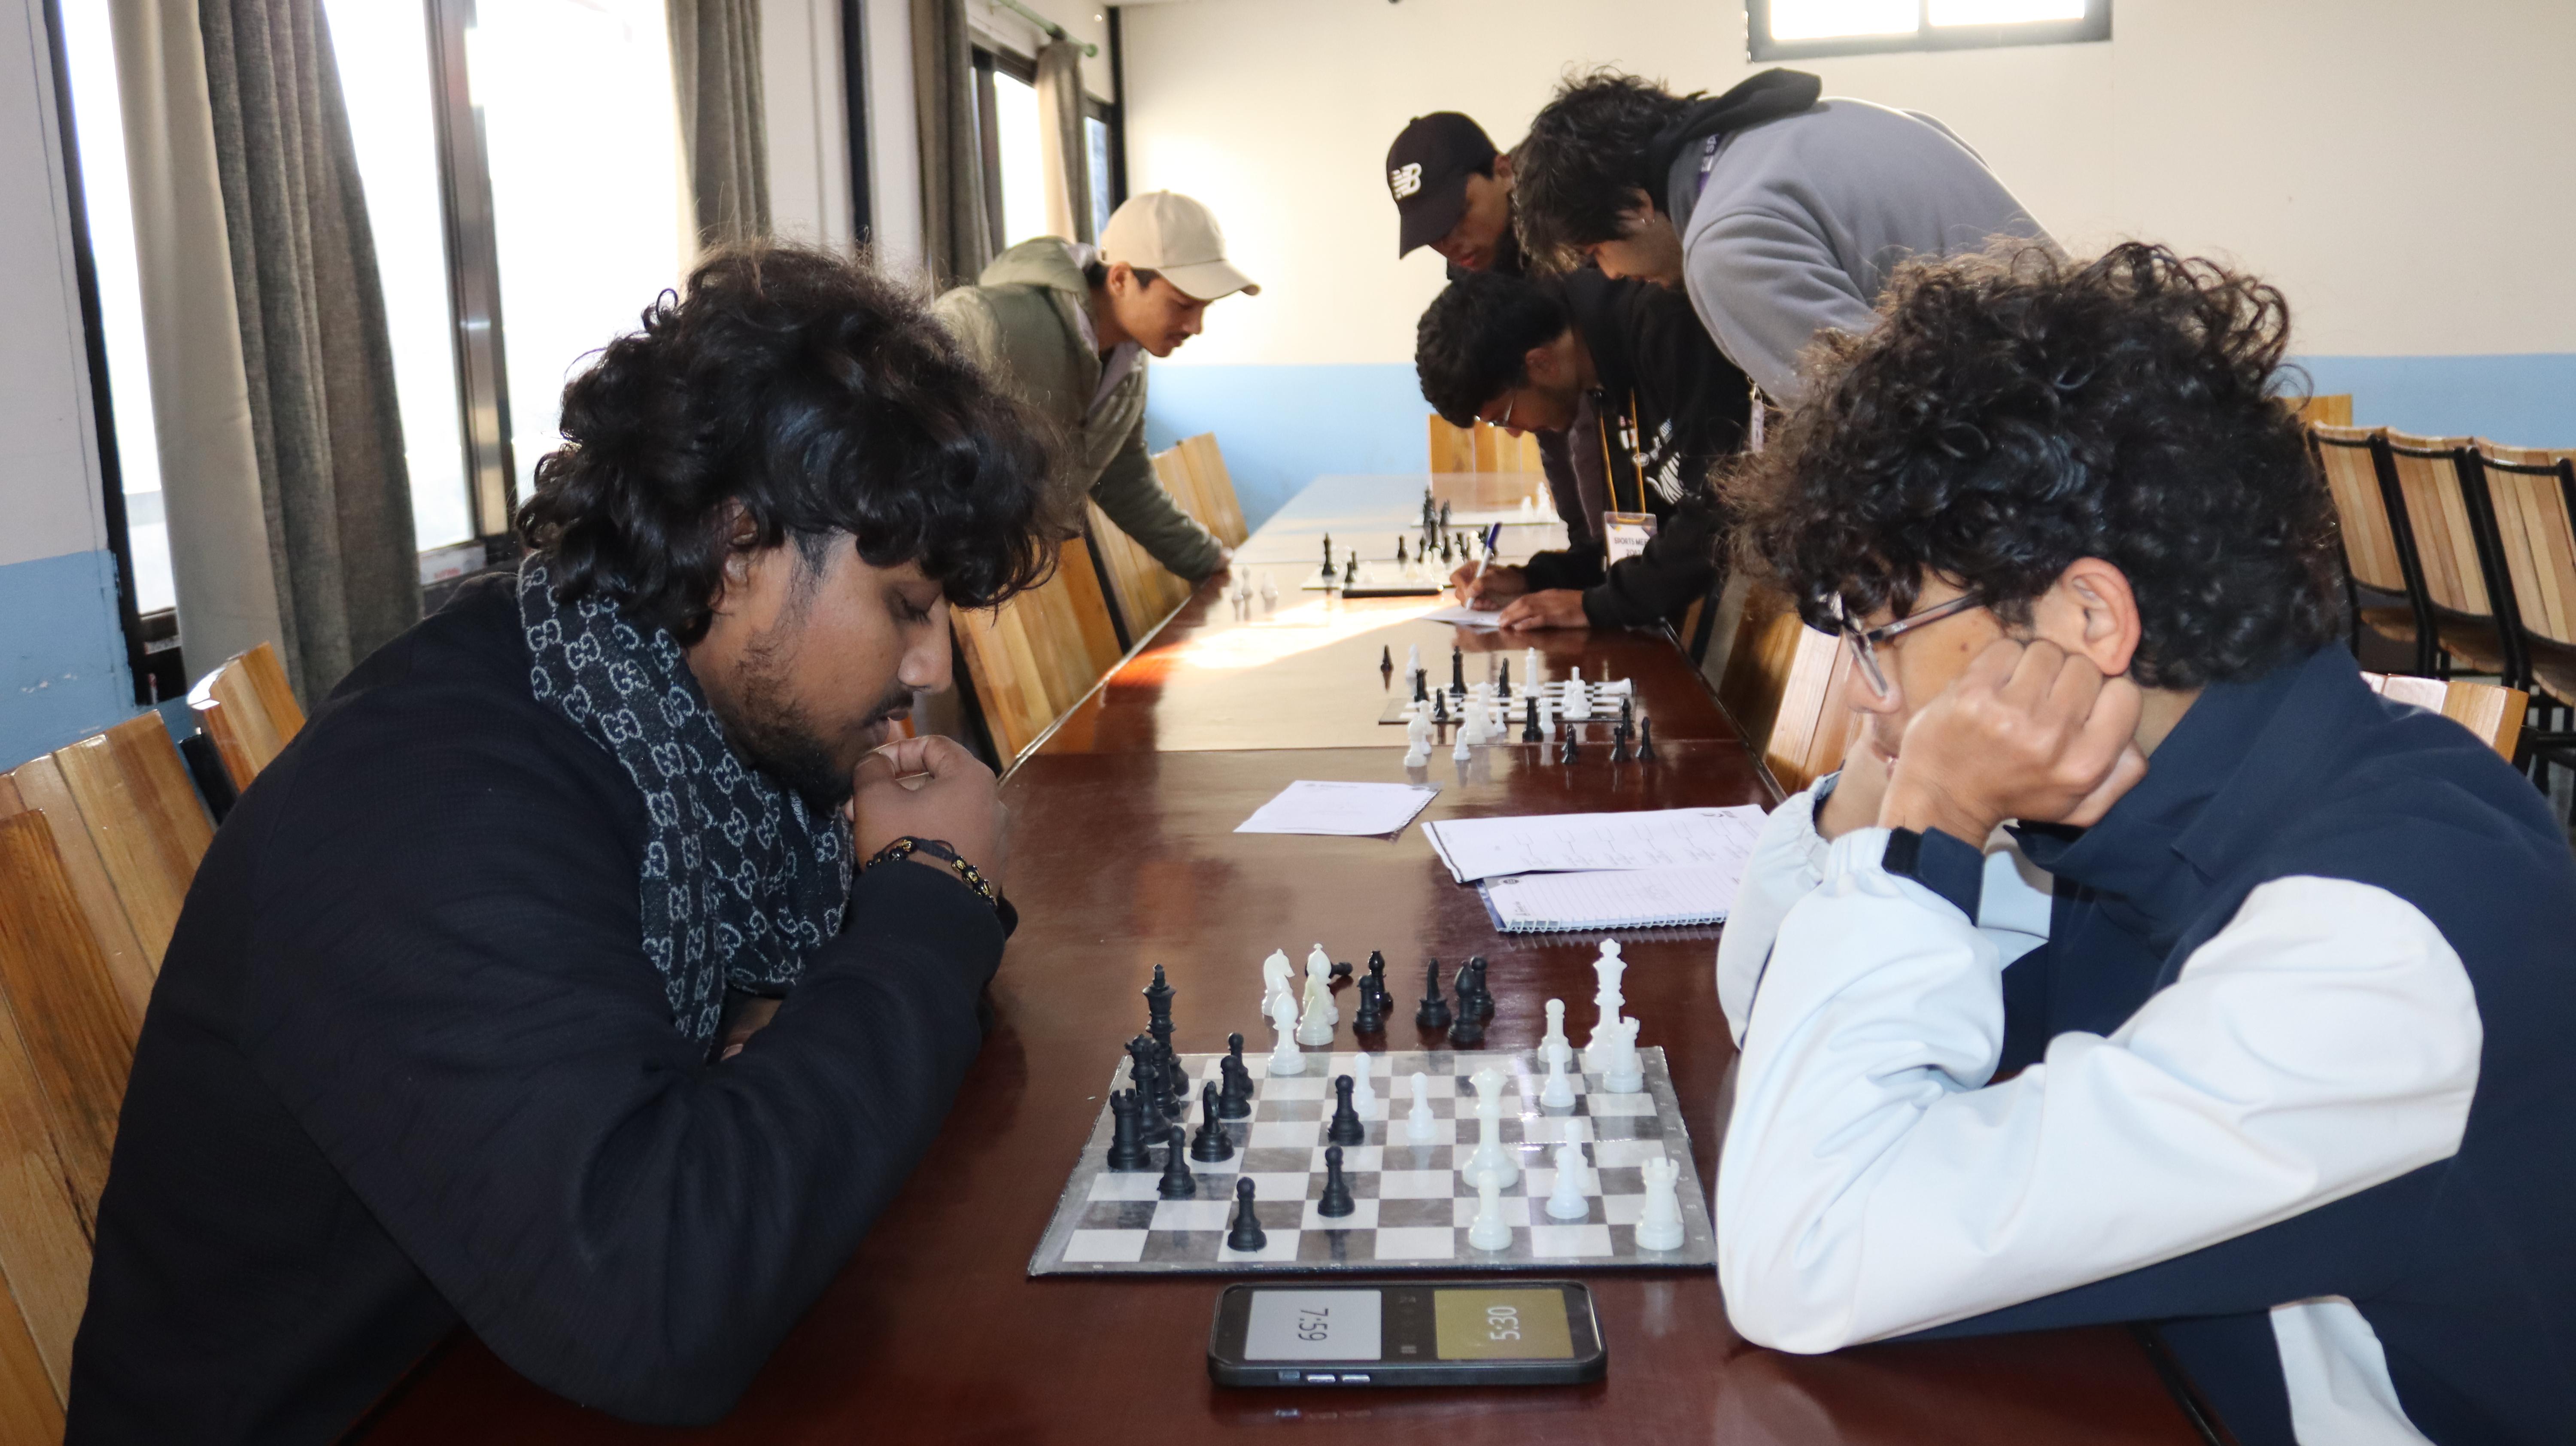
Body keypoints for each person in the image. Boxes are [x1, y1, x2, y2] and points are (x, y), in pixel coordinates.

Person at [70, 245, 1059, 1443]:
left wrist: (835, 992)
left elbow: (794, 1090)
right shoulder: (428, 803)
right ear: (737, 546)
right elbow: (659, 1299)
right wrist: (930, 890)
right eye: (905, 605)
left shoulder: (675, 725)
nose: (932, 666)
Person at [1712, 242, 2576, 1446]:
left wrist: (1933, 818)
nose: (1864, 689)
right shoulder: (2135, 799)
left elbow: (1808, 1247)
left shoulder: (2374, 940)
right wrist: (1884, 784)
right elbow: (1772, 1016)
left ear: (2086, 618)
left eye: (1883, 627)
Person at [1512, 68, 2050, 406]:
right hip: (2082, 396)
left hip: (2035, 460)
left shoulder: (1725, 244)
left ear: (1635, 207)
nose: (1612, 274)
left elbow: (1875, 430)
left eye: (1597, 252)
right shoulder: (1847, 118)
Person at [933, 189, 1255, 586]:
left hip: (1002, 575)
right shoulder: (989, 320)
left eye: (1205, 308)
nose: (1196, 327)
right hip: (935, 565)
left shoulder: (1129, 364)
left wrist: (1207, 559)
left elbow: (1124, 481)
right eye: (1183, 305)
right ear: (1121, 279)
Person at [1414, 267, 1747, 631]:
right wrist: (1533, 580)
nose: (1514, 433)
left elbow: (1723, 512)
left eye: (1503, 418)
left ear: (1541, 363)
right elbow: (1643, 543)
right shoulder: (1598, 377)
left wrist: (1595, 606)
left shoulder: (1665, 329)